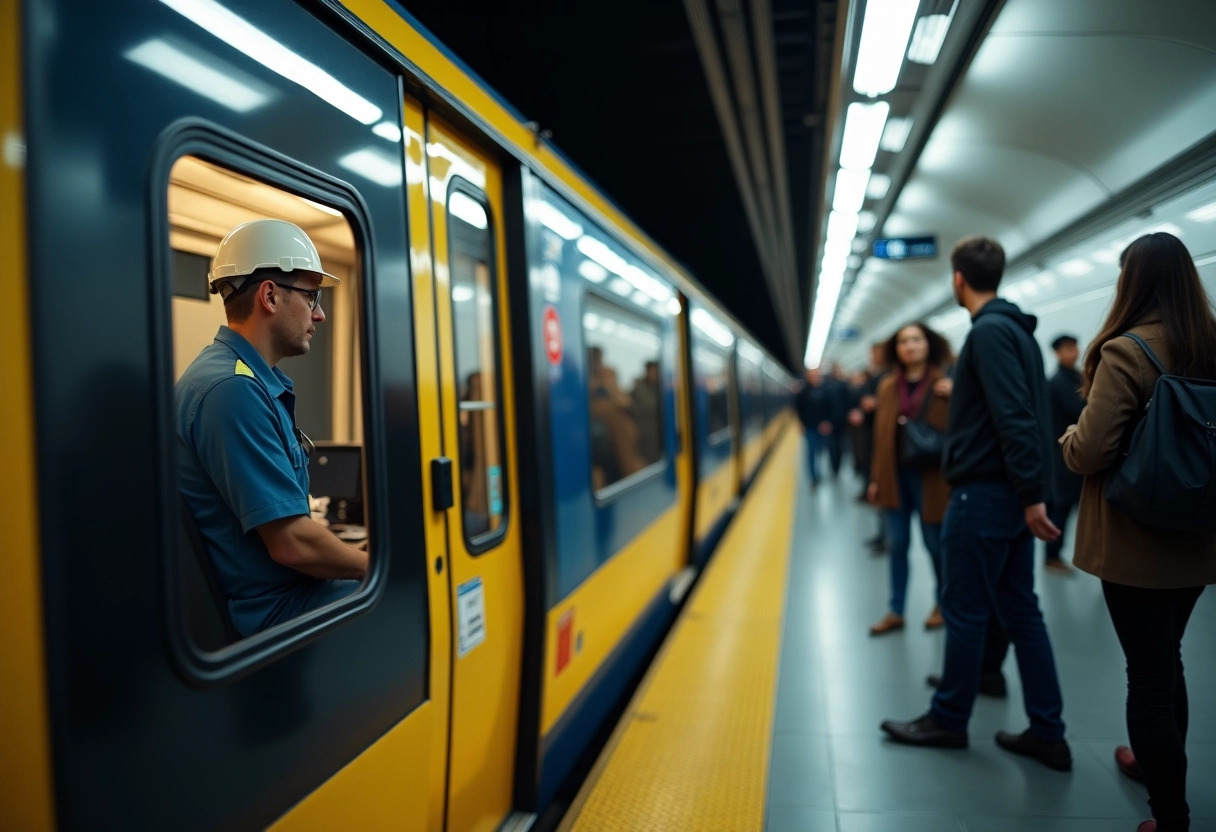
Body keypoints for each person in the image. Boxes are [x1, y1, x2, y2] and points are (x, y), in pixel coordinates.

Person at [881, 236, 1070, 773]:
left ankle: (947, 719)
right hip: (1008, 494)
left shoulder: (987, 333)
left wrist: (1032, 496)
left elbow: (1014, 419)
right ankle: (1047, 733)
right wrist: (1030, 494)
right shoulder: (1021, 334)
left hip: (985, 493)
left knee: (965, 608)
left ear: (958, 278)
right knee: (1020, 610)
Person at [1060, 232, 1216, 832]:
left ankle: (1169, 815)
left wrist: (1067, 440)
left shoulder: (1126, 350)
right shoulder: (1210, 344)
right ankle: (1157, 765)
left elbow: (1092, 449)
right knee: (1167, 660)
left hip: (1137, 539)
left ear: (1132, 282)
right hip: (1198, 535)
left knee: (1147, 677)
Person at [177, 219, 367, 638]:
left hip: (285, 597)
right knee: (410, 594)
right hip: (277, 613)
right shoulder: (232, 390)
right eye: (312, 295)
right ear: (269, 296)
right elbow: (292, 543)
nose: (320, 313)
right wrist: (377, 565)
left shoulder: (241, 380)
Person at [866, 323, 953, 635]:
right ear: (897, 349)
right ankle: (896, 609)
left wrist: (957, 394)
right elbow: (881, 436)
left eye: (916, 339)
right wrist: (875, 479)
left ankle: (944, 603)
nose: (910, 346)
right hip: (895, 476)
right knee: (897, 544)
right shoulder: (888, 386)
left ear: (928, 344)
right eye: (904, 341)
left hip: (932, 479)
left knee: (935, 545)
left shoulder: (946, 382)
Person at [1045, 334, 1084, 575]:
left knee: (1067, 506)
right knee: (1061, 508)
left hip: (1075, 454)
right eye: (1068, 348)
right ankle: (1052, 555)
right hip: (1063, 456)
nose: (1074, 352)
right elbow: (1079, 410)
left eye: (1075, 347)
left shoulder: (1076, 377)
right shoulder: (1058, 382)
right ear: (1058, 352)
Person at [796, 367, 834, 488]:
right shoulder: (803, 391)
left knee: (821, 451)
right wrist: (801, 423)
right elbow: (798, 408)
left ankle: (819, 472)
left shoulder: (825, 390)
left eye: (816, 375)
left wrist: (827, 421)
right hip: (809, 426)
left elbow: (830, 407)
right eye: (812, 375)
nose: (814, 377)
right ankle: (814, 476)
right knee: (811, 451)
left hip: (822, 426)